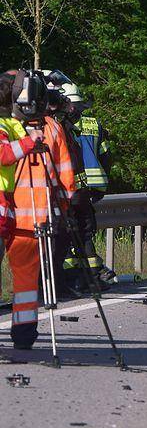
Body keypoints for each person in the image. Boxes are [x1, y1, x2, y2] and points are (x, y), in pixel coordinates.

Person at [2, 70, 75, 359]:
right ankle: (24, 332)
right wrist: (65, 207)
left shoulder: (8, 125)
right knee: (26, 280)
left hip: (16, 213)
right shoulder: (51, 129)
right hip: (35, 216)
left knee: (26, 278)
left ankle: (23, 332)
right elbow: (65, 173)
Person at [50, 74, 112, 296]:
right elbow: (105, 156)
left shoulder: (58, 127)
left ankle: (68, 278)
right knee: (83, 236)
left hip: (71, 191)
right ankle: (89, 278)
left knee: (68, 236)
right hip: (84, 191)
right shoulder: (90, 124)